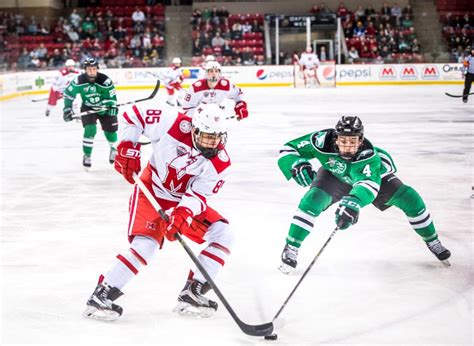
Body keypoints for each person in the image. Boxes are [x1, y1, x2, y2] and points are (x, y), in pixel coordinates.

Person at [82, 102, 234, 321]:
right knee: (146, 246)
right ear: (194, 129)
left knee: (223, 234)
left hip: (182, 201)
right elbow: (133, 115)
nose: (213, 143)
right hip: (150, 191)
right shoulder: (173, 122)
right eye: (208, 137)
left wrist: (181, 216)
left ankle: (194, 290)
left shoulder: (220, 163)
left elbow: (198, 196)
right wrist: (127, 146)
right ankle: (103, 293)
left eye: (218, 137)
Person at [277, 116, 451, 274]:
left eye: (353, 142)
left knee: (410, 198)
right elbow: (288, 149)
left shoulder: (369, 156)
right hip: (334, 175)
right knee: (312, 200)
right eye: (343, 141)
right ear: (336, 139)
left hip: (368, 177)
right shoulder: (320, 141)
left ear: (360, 141)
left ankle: (432, 240)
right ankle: (291, 246)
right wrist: (296, 164)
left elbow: (368, 185)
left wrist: (354, 201)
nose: (347, 146)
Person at [63, 57, 118, 170]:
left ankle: (113, 149)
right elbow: (68, 94)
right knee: (90, 130)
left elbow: (112, 98)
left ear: (97, 69)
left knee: (110, 133)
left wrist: (111, 106)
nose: (92, 71)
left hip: (104, 108)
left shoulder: (105, 81)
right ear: (85, 70)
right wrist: (67, 109)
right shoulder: (79, 81)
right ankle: (87, 155)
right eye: (89, 69)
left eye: (94, 69)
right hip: (88, 107)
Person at [182, 60, 248, 119]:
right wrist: (201, 115)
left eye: (216, 71)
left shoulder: (226, 85)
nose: (214, 73)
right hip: (199, 119)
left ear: (219, 73)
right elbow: (186, 109)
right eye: (211, 71)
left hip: (216, 118)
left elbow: (239, 93)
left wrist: (241, 107)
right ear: (207, 73)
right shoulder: (196, 88)